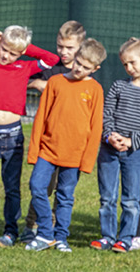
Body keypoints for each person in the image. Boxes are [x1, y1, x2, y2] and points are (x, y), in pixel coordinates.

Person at [0, 24, 59, 246]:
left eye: (13, 53)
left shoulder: (24, 66)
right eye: (4, 49)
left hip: (13, 136)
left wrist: (24, 48)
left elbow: (51, 58)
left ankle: (10, 231)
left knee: (12, 187)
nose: (6, 55)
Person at [24, 39, 106, 252]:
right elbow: (41, 117)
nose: (79, 68)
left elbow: (96, 127)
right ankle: (45, 232)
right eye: (78, 62)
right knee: (37, 186)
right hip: (48, 151)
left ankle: (61, 237)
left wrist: (87, 162)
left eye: (86, 67)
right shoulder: (55, 82)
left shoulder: (95, 90)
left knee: (65, 196)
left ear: (95, 69)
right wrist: (34, 152)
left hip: (75, 156)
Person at [21, 21, 83, 239]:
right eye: (60, 46)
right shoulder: (50, 66)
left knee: (63, 189)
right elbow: (18, 79)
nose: (64, 53)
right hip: (48, 138)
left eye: (69, 48)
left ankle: (56, 231)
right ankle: (31, 226)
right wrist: (37, 84)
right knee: (42, 186)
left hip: (72, 141)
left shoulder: (83, 72)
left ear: (81, 47)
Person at [91, 38, 140, 251]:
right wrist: (109, 136)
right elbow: (106, 114)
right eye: (125, 64)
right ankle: (107, 236)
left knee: (130, 199)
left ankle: (126, 238)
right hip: (109, 150)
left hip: (134, 153)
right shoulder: (118, 86)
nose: (129, 68)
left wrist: (131, 141)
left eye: (133, 62)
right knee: (107, 196)